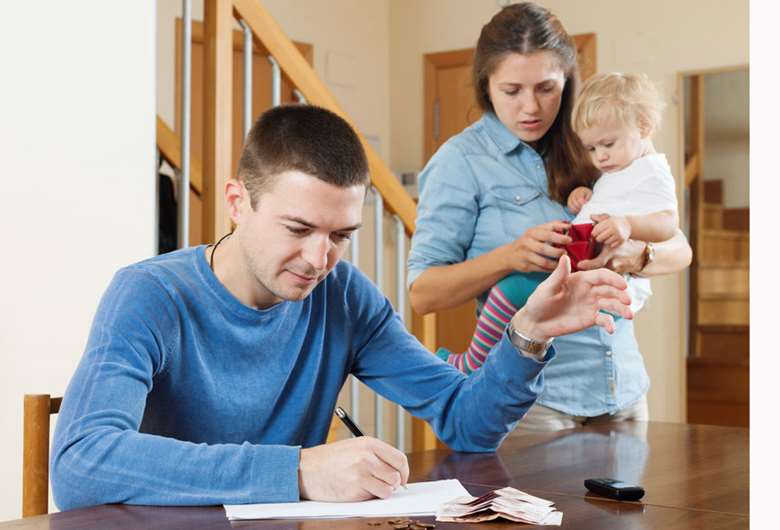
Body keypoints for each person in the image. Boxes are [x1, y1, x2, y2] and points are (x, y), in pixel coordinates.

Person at [51, 104, 633, 510]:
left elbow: (467, 423)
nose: (318, 258)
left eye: (340, 234)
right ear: (237, 202)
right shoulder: (149, 295)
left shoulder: (344, 295)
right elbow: (82, 463)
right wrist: (298, 470)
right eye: (298, 228)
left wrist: (526, 334)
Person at [408, 3, 691, 428]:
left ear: (568, 80)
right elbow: (423, 295)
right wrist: (511, 257)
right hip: (534, 405)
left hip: (623, 392)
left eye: (546, 88)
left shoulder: (600, 141)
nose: (531, 107)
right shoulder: (460, 161)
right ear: (487, 85)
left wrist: (637, 256)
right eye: (512, 91)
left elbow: (680, 248)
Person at [438, 72, 679, 373]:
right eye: (591, 149)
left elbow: (669, 223)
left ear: (643, 127)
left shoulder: (652, 172)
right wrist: (585, 197)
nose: (600, 157)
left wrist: (629, 225)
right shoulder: (621, 168)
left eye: (607, 144)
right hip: (586, 274)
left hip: (611, 289)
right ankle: (479, 363)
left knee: (509, 290)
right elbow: (614, 200)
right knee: (511, 295)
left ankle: (473, 364)